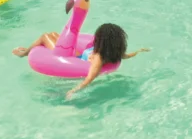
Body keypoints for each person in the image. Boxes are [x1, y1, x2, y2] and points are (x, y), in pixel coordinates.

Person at [13, 23, 149, 99]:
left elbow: (90, 77)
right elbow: (125, 56)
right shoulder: (113, 52)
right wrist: (138, 51)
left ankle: (24, 53)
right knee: (54, 34)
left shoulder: (98, 58)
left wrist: (75, 90)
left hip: (70, 60)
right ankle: (26, 50)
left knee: (45, 36)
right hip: (77, 56)